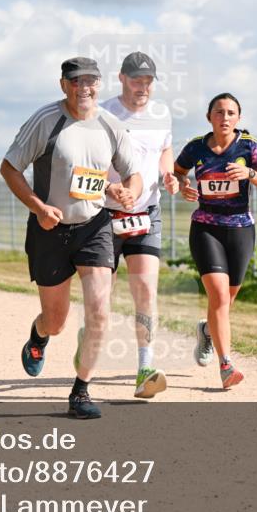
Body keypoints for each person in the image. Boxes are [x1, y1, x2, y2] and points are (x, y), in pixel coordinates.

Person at [0, 57, 142, 419]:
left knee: (99, 311)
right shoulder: (46, 120)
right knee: (57, 320)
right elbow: (10, 167)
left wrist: (128, 192)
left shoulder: (110, 125)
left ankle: (81, 390)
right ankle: (39, 335)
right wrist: (38, 207)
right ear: (63, 85)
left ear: (99, 84)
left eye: (91, 81)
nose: (85, 88)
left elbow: (134, 174)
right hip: (49, 231)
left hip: (94, 226)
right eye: (76, 81)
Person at [77, 51, 179, 399]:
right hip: (103, 215)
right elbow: (87, 163)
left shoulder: (162, 114)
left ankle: (145, 367)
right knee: (101, 301)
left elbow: (164, 150)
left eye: (148, 81)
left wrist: (168, 173)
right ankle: (87, 340)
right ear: (121, 78)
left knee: (146, 290)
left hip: (146, 213)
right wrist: (109, 187)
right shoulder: (102, 113)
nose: (143, 87)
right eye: (137, 80)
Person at [173, 93, 257, 390]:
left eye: (231, 112)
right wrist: (183, 185)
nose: (225, 117)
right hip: (206, 227)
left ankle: (206, 331)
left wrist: (250, 172)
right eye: (219, 112)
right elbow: (177, 172)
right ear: (209, 117)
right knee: (218, 297)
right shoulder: (196, 147)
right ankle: (226, 364)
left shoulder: (249, 146)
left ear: (238, 118)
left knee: (226, 302)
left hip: (241, 229)